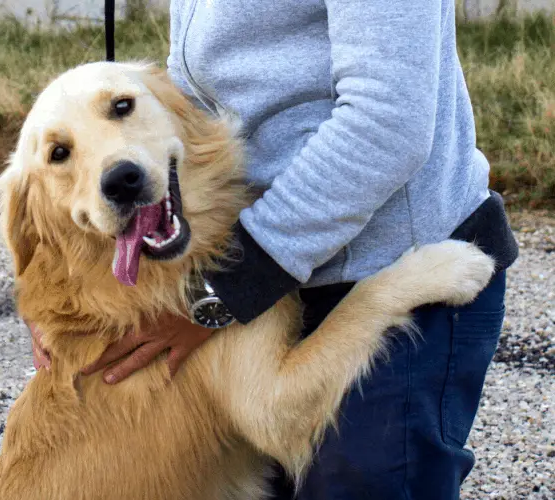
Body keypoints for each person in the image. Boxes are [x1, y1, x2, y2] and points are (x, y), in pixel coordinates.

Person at [28, 1, 519, 498]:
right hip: (260, 265)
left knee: (357, 483)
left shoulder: (229, 285)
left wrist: (220, 292)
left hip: (388, 258)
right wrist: (62, 298)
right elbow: (196, 89)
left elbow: (387, 120)